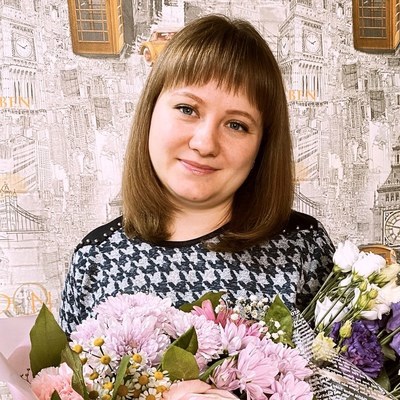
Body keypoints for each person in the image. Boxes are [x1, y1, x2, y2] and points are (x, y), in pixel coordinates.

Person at [59, 14, 335, 337]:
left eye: (236, 125)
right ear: (150, 112)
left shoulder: (303, 247)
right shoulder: (95, 259)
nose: (205, 144)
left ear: (263, 145)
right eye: (187, 109)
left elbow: (347, 367)